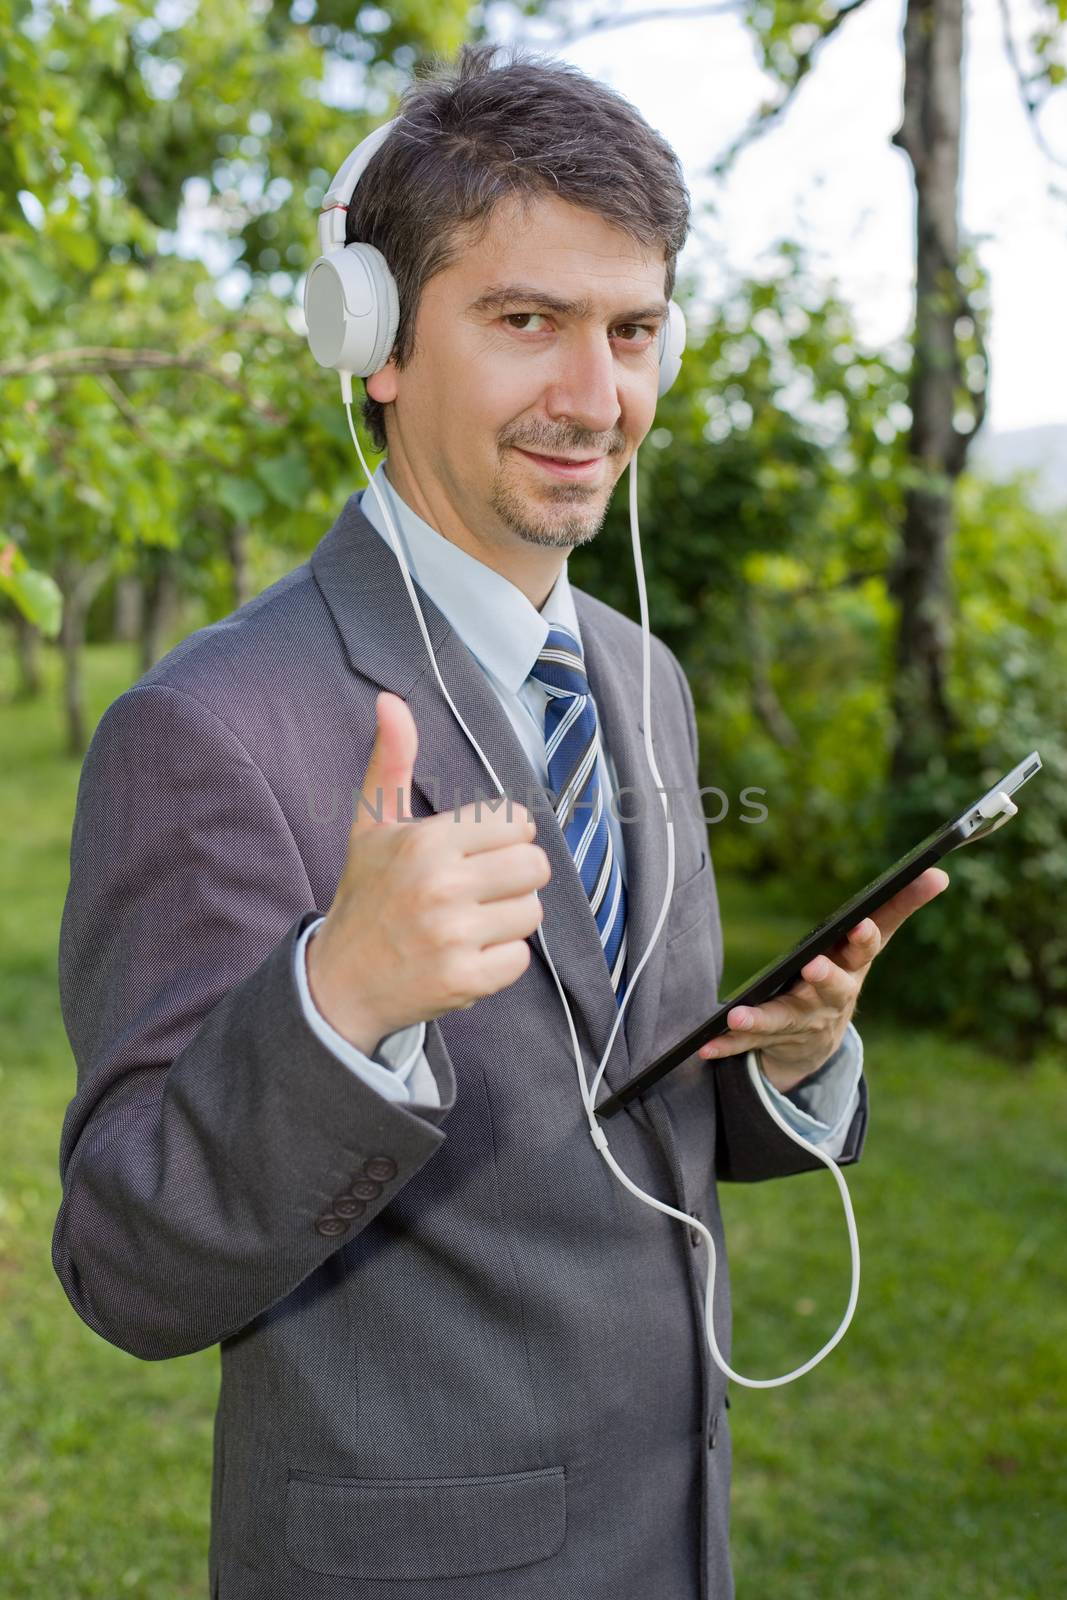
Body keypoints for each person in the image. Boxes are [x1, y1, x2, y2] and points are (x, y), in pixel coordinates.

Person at [52, 42, 948, 1600]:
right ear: (379, 344)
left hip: (669, 1546)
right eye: (526, 321)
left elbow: (611, 1112)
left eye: (633, 330)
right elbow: (126, 1267)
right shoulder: (207, 727)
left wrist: (795, 1062)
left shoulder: (639, 675)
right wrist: (338, 1008)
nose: (596, 398)